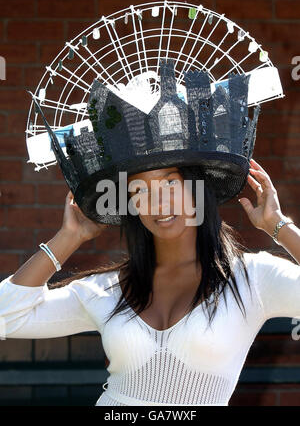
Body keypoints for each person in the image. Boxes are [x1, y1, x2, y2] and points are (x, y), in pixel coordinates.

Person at [1, 158, 300, 406]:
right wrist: (69, 238)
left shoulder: (253, 280)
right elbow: (6, 317)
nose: (158, 201)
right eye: (139, 190)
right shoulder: (107, 290)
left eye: (170, 182)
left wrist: (279, 226)